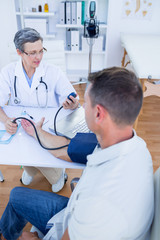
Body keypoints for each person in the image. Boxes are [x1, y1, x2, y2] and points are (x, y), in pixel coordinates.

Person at [0, 67, 154, 240]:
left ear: (98, 113)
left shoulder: (98, 204)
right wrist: (37, 133)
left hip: (72, 222)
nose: (82, 106)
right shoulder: (132, 143)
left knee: (17, 200)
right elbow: (66, 149)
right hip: (70, 212)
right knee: (16, 196)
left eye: (85, 103)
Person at [0, 28, 79, 193]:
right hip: (23, 125)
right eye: (33, 53)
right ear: (19, 52)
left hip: (49, 125)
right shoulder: (8, 73)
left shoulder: (53, 72)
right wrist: (6, 120)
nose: (39, 57)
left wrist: (72, 103)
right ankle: (32, 169)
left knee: (54, 179)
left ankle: (57, 175)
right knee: (23, 147)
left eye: (41, 51)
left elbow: (73, 98)